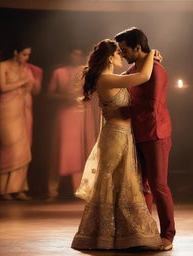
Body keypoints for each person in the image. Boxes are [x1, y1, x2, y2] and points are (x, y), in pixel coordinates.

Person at [72, 39, 162, 250]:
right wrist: (151, 54)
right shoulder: (105, 80)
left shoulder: (112, 78)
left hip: (123, 135)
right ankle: (103, 236)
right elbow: (143, 76)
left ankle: (122, 234)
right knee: (109, 181)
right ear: (110, 57)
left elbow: (132, 77)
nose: (121, 56)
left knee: (122, 182)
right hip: (115, 136)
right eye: (118, 53)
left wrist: (147, 58)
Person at [112, 27, 175, 251]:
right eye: (119, 50)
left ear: (138, 48)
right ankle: (146, 231)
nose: (122, 54)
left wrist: (120, 113)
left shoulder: (155, 70)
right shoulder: (133, 69)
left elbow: (150, 105)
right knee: (142, 185)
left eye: (125, 49)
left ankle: (168, 235)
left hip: (156, 133)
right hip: (137, 133)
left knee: (158, 185)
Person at [47, 48, 98, 200]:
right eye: (72, 53)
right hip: (65, 115)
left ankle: (82, 189)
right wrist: (65, 97)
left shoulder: (87, 72)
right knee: (62, 150)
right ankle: (52, 190)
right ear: (67, 55)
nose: (75, 57)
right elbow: (49, 94)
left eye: (78, 54)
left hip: (83, 114)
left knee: (83, 150)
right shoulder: (59, 72)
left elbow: (93, 92)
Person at [0, 43, 41, 200]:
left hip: (25, 108)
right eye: (24, 54)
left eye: (28, 55)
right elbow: (3, 87)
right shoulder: (3, 65)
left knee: (24, 147)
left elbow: (35, 91)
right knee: (11, 145)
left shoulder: (29, 69)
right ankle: (5, 189)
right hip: (8, 108)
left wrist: (35, 80)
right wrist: (22, 81)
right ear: (15, 52)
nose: (26, 58)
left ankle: (20, 188)